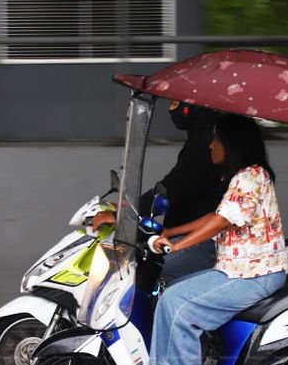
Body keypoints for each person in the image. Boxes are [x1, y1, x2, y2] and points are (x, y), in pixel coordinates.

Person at [146, 114, 288, 365]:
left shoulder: (250, 177)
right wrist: (172, 231)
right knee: (173, 289)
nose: (211, 146)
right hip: (239, 270)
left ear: (230, 143)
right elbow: (216, 215)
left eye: (216, 139)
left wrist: (176, 247)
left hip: (252, 274)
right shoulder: (243, 176)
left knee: (176, 302)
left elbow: (221, 221)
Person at [92, 100, 226, 283]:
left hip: (202, 243)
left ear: (192, 106)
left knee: (142, 275)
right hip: (187, 235)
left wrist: (124, 215)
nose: (172, 109)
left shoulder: (204, 141)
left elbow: (173, 188)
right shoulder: (202, 137)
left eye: (175, 102)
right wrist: (131, 209)